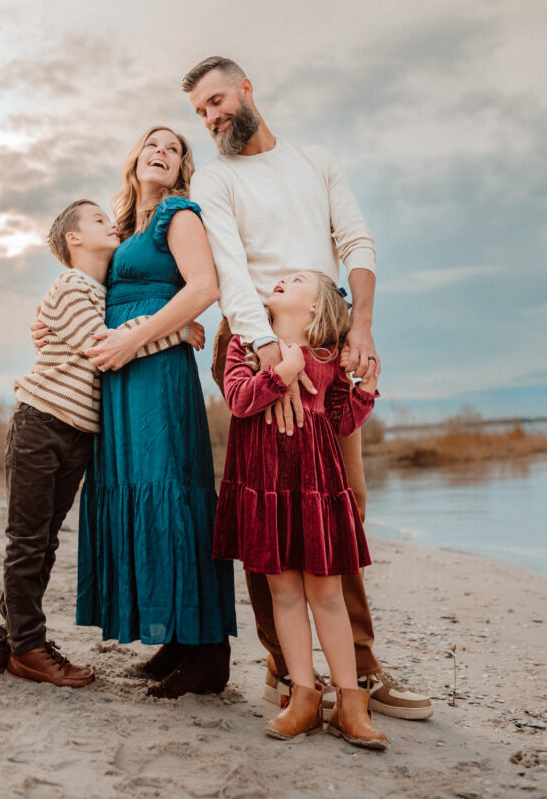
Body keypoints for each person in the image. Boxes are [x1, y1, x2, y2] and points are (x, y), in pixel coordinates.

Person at [185, 55, 433, 720]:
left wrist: (364, 329)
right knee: (265, 506)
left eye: (216, 100)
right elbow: (230, 269)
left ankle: (361, 667)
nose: (211, 116)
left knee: (338, 500)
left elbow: (355, 239)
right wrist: (271, 356)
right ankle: (284, 666)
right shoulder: (211, 178)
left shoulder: (313, 160)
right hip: (254, 346)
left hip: (329, 343)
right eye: (200, 112)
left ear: (246, 88)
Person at [0, 199, 191, 688]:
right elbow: (104, 348)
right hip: (40, 424)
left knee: (42, 544)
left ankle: (11, 642)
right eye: (99, 220)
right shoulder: (72, 284)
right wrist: (175, 330)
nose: (112, 224)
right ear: (73, 240)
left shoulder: (99, 291)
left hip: (77, 434)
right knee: (26, 542)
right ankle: (28, 648)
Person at [76, 126, 237, 699]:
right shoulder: (125, 228)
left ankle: (207, 652)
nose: (163, 151)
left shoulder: (178, 214)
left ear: (181, 167)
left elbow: (204, 288)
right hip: (124, 376)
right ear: (136, 158)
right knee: (135, 487)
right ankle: (178, 637)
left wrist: (131, 339)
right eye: (154, 144)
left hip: (155, 373)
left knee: (169, 489)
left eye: (175, 148)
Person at [214, 270, 387, 748]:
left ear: (317, 307)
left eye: (296, 279)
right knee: (283, 593)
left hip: (314, 491)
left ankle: (351, 702)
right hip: (264, 489)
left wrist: (365, 392)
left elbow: (338, 420)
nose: (281, 280)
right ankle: (304, 698)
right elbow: (238, 400)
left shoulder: (328, 358)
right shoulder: (244, 349)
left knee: (327, 593)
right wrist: (280, 374)